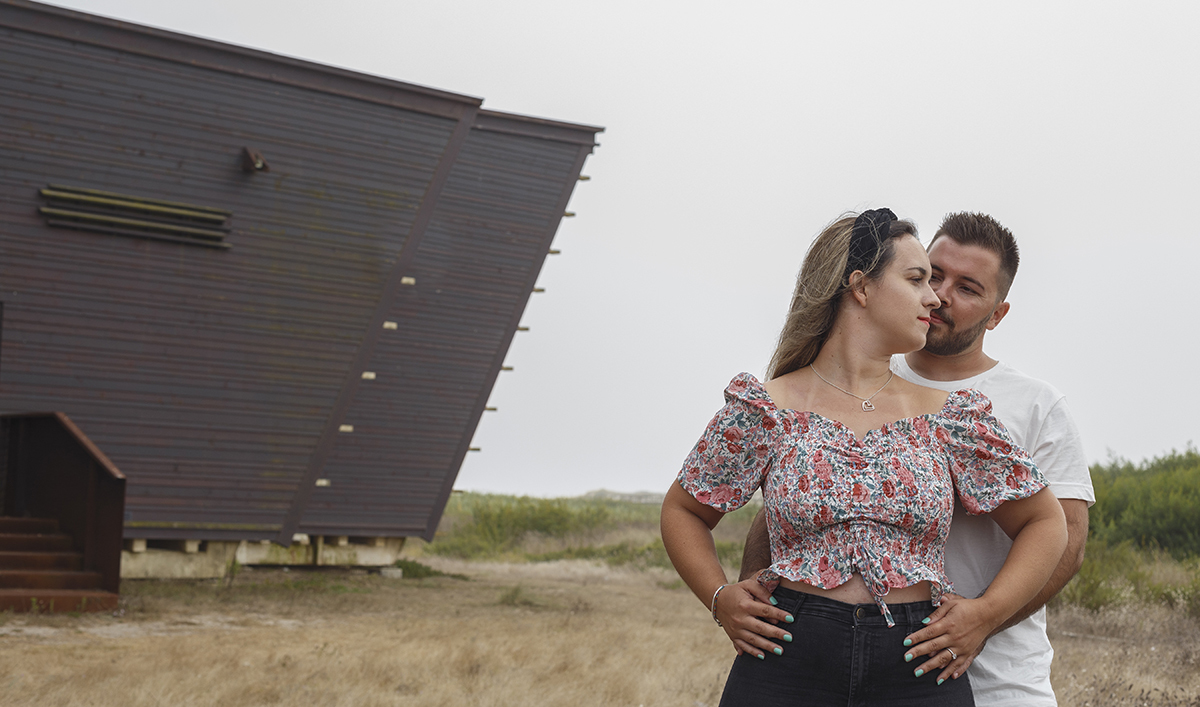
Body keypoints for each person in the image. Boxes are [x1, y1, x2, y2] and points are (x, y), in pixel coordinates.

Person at [660, 209, 1068, 706]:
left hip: (918, 664)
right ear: (861, 286)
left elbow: (1047, 522)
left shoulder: (953, 417)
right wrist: (720, 597)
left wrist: (985, 614)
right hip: (786, 657)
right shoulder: (767, 408)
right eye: (918, 278)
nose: (934, 298)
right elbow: (684, 510)